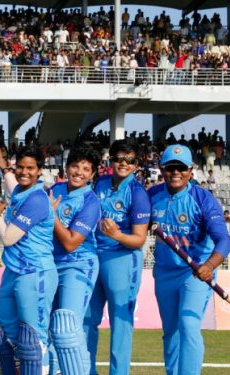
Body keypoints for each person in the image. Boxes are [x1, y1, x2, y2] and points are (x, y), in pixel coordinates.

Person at [149, 144, 230, 375]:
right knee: (171, 330)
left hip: (195, 273)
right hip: (164, 273)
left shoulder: (203, 199)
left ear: (191, 170)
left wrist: (209, 265)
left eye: (181, 168)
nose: (176, 172)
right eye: (170, 167)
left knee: (188, 324)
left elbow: (224, 240)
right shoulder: (152, 196)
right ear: (161, 169)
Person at [84, 139, 151, 375]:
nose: (123, 163)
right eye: (118, 158)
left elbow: (139, 239)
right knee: (86, 320)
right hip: (94, 257)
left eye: (129, 160)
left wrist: (117, 234)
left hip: (122, 260)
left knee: (120, 323)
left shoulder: (138, 193)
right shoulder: (100, 182)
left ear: (136, 165)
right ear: (110, 160)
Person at [0, 146, 57, 375]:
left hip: (35, 272)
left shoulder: (37, 199)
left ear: (40, 170)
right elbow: (15, 183)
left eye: (31, 168)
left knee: (33, 340)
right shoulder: (21, 191)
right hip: (14, 270)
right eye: (20, 166)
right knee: (6, 337)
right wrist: (5, 170)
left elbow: (8, 238)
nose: (24, 171)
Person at [47, 145, 102, 375]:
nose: (79, 172)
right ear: (67, 167)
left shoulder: (91, 201)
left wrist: (51, 215)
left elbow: (70, 242)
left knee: (68, 326)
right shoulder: (55, 189)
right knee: (49, 327)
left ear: (92, 174)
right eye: (75, 166)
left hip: (78, 264)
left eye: (86, 169)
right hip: (49, 264)